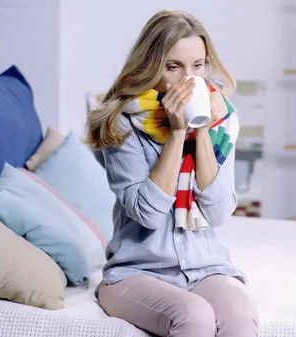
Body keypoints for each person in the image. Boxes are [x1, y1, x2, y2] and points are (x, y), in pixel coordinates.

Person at [85, 9, 258, 337]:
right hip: (136, 272)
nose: (188, 80)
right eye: (173, 66)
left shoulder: (224, 120)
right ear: (151, 67)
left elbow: (218, 212)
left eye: (197, 66)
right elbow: (147, 214)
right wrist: (177, 134)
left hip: (206, 268)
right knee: (195, 317)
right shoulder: (123, 122)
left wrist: (202, 130)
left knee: (239, 316)